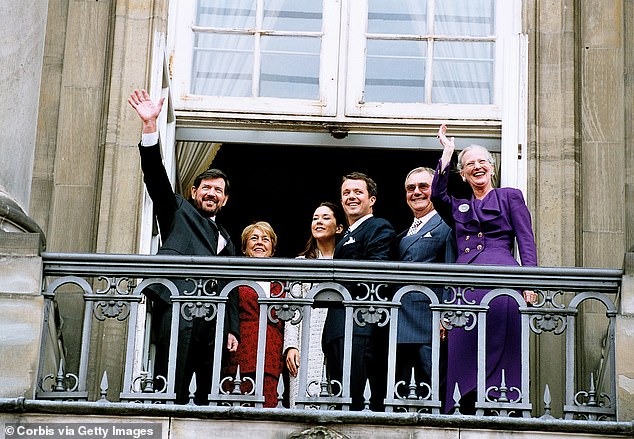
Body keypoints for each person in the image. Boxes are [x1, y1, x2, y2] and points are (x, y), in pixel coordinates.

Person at [127, 89, 239, 405]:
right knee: (171, 386)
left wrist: (233, 330)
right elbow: (155, 177)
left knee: (209, 394)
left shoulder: (227, 239)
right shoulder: (177, 209)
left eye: (218, 191)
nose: (212, 194)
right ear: (193, 191)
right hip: (179, 308)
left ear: (225, 199)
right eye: (206, 188)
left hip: (214, 321)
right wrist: (150, 126)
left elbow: (231, 286)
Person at [432, 124, 538, 414]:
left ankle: (500, 403)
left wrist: (530, 282)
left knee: (501, 345)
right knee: (463, 348)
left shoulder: (509, 197)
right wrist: (448, 153)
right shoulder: (458, 206)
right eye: (469, 165)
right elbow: (437, 196)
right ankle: (462, 404)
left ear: (492, 168)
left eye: (482, 162)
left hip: (502, 281)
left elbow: (526, 240)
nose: (477, 167)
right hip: (465, 285)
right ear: (464, 174)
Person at [321, 172, 396, 411]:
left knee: (355, 403)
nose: (351, 197)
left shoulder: (378, 227)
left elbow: (376, 273)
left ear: (371, 199)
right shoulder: (346, 236)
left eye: (357, 192)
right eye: (346, 193)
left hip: (360, 325)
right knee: (341, 398)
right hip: (339, 328)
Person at [395, 167, 456, 400]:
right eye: (411, 188)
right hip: (401, 321)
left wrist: (446, 315)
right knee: (401, 393)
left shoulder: (445, 225)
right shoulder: (403, 233)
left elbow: (451, 273)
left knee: (431, 391)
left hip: (429, 322)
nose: (416, 192)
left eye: (424, 187)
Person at [283, 202, 346, 407]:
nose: (319, 221)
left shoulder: (348, 260)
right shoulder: (300, 263)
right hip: (307, 339)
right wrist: (291, 346)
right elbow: (292, 308)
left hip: (338, 336)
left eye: (326, 217)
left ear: (339, 228)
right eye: (315, 218)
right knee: (304, 400)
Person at [223, 221, 285, 408]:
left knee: (268, 407)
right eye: (254, 238)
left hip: (271, 354)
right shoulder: (235, 279)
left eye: (265, 239)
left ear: (272, 249)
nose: (260, 242)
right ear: (244, 248)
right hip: (240, 351)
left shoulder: (282, 281)